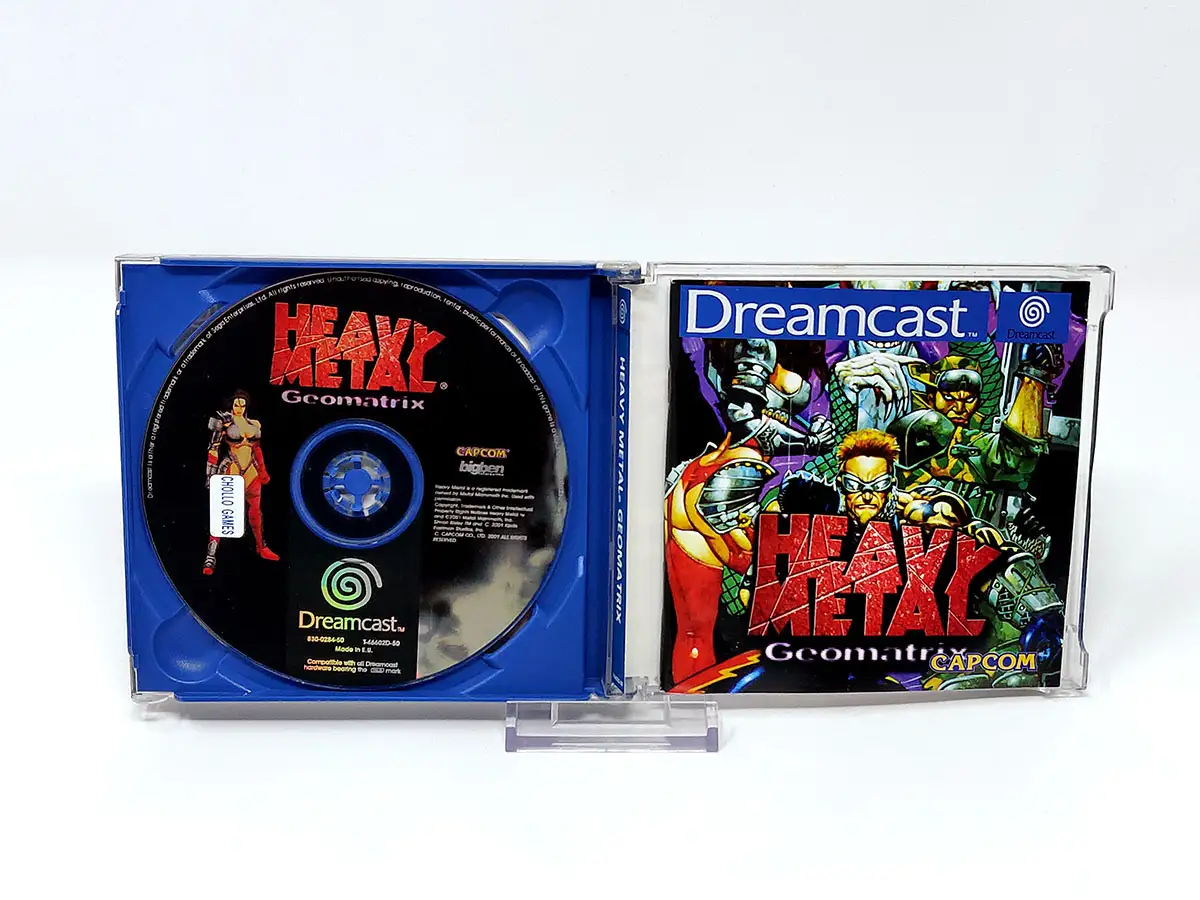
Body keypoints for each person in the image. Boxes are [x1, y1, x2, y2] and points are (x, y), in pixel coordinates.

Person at [203, 390, 279, 574]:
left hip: (252, 471)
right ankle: (211, 556)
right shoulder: (224, 422)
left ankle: (261, 547)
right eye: (236, 404)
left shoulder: (255, 424)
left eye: (242, 405)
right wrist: (210, 475)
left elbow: (257, 449)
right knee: (224, 512)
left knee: (256, 511)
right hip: (232, 468)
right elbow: (213, 448)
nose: (239, 407)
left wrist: (263, 471)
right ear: (232, 404)